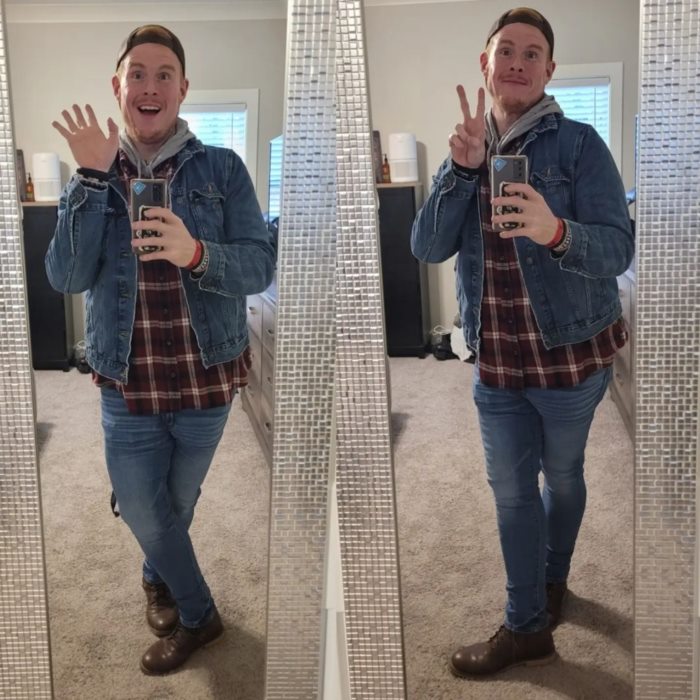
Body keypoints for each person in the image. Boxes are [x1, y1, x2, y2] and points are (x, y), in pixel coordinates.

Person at [46, 24, 276, 675]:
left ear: (183, 88)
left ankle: (156, 576)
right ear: (118, 86)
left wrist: (195, 252)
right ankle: (200, 616)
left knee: (176, 503)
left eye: (164, 74)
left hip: (206, 378)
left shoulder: (222, 168)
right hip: (126, 380)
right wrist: (90, 179)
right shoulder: (94, 172)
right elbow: (65, 277)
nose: (150, 86)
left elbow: (260, 265)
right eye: (137, 74)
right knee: (146, 507)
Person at [411, 7, 634, 677]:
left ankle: (554, 576)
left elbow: (618, 249)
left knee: (562, 476)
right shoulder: (465, 149)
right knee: (510, 492)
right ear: (485, 64)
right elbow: (426, 247)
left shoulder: (581, 145)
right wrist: (459, 172)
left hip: (571, 356)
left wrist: (555, 231)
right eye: (504, 49)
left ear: (549, 70)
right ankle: (526, 623)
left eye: (531, 52)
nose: (516, 61)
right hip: (496, 362)